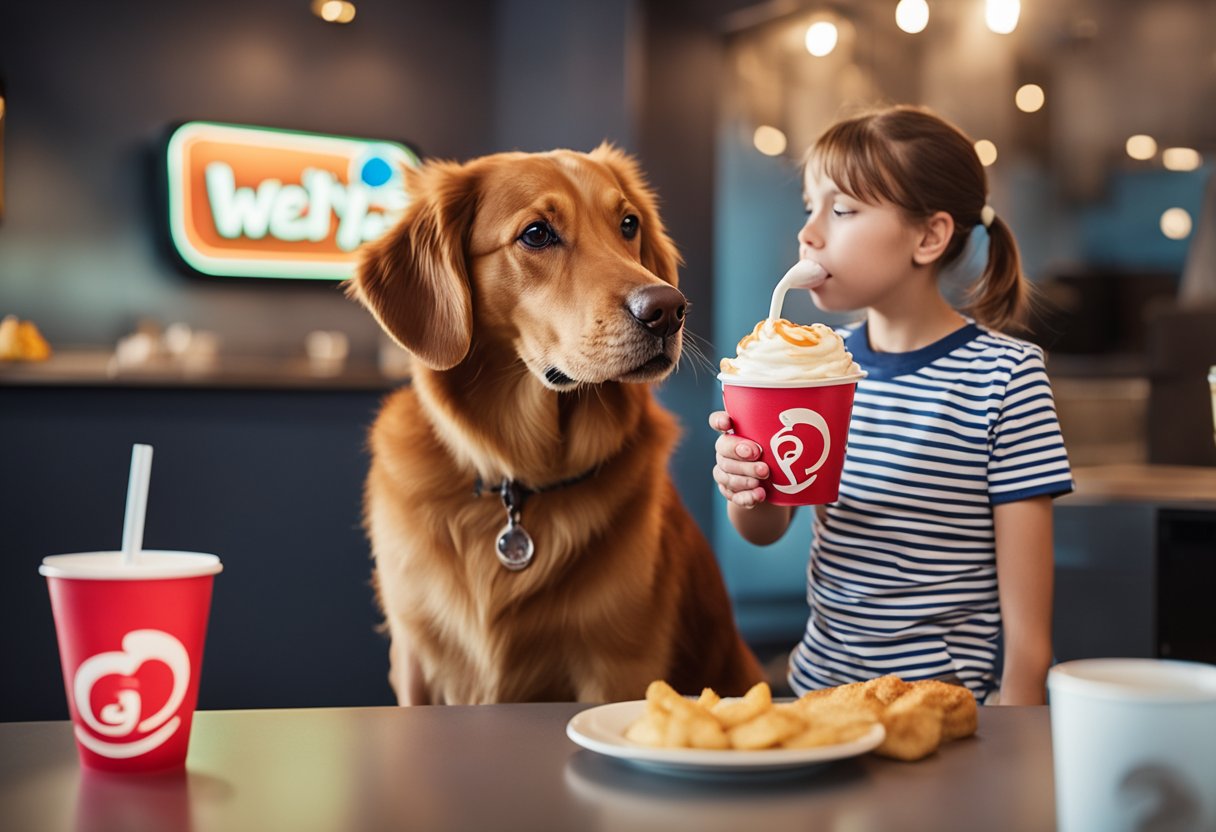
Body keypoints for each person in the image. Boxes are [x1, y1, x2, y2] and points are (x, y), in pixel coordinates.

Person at [710, 105, 1073, 705]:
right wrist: (744, 483)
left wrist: (1018, 719)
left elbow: (1030, 636)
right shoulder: (816, 365)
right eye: (810, 207)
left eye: (843, 210)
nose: (810, 233)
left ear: (929, 236)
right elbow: (765, 529)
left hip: (944, 708)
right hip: (820, 699)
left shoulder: (1006, 376)